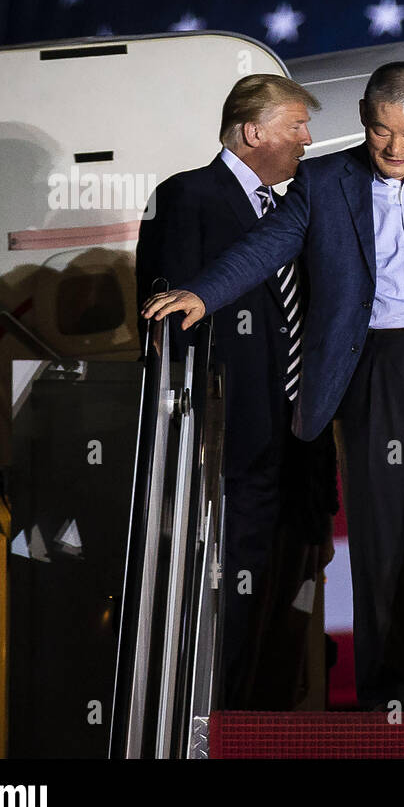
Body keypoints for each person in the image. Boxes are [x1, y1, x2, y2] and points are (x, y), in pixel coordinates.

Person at [141, 63, 404, 712]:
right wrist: (201, 293)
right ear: (362, 119)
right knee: (378, 538)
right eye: (381, 131)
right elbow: (264, 246)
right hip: (372, 371)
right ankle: (385, 689)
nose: (395, 147)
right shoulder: (326, 181)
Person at [135, 73, 337, 709]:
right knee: (227, 610)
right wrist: (197, 432)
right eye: (297, 125)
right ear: (255, 132)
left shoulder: (299, 204)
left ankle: (264, 729)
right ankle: (214, 728)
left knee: (287, 600)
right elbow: (168, 320)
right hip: (228, 446)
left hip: (299, 445)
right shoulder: (188, 196)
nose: (308, 139)